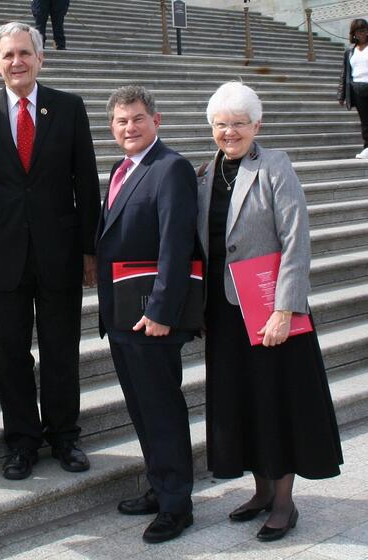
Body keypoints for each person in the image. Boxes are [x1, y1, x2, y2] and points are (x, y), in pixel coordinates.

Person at [198, 81, 343, 542]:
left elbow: (296, 239)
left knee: (277, 402)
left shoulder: (275, 166)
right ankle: (261, 492)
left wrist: (285, 309)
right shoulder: (205, 174)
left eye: (239, 124)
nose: (230, 132)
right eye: (221, 124)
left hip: (270, 311)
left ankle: (283, 503)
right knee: (242, 401)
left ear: (256, 126)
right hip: (225, 313)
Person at [0, 22, 100, 480]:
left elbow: (86, 180)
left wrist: (89, 249)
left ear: (41, 58)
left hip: (59, 251)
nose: (17, 62)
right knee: (10, 353)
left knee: (61, 348)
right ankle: (21, 441)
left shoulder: (69, 107)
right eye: (8, 55)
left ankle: (64, 435)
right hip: (1, 254)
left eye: (25, 53)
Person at [96, 85, 198, 544]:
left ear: (157, 121)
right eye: (121, 121)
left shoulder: (170, 167)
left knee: (162, 409)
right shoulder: (121, 168)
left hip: (150, 316)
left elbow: (176, 244)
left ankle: (177, 506)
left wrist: (161, 311)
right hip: (123, 314)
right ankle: (160, 487)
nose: (129, 127)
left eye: (137, 118)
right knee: (141, 408)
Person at [338, 18, 368, 159]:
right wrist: (341, 95)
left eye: (364, 30)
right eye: (359, 31)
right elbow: (345, 74)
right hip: (357, 89)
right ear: (354, 34)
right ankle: (367, 148)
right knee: (365, 121)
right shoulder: (350, 52)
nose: (362, 33)